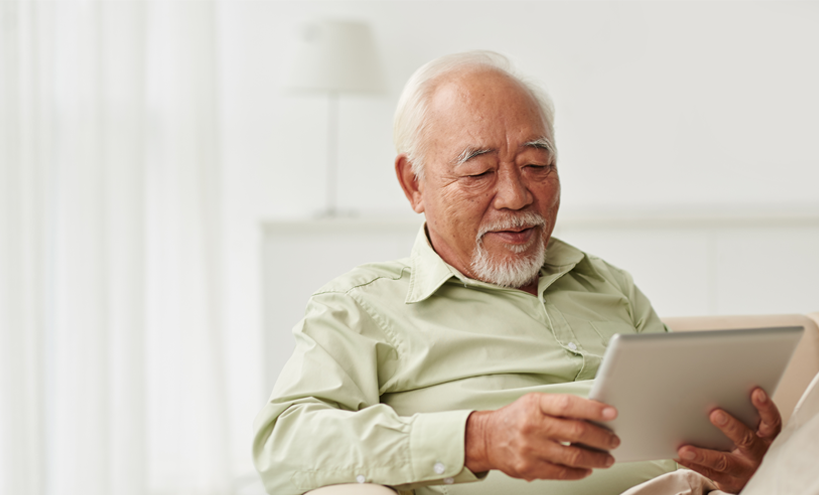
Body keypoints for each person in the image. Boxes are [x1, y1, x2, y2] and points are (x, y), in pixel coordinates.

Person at [252, 51, 778, 495]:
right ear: (414, 184)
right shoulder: (361, 307)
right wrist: (480, 439)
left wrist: (744, 465)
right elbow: (284, 444)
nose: (516, 196)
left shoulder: (608, 284)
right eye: (479, 171)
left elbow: (687, 436)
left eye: (536, 165)